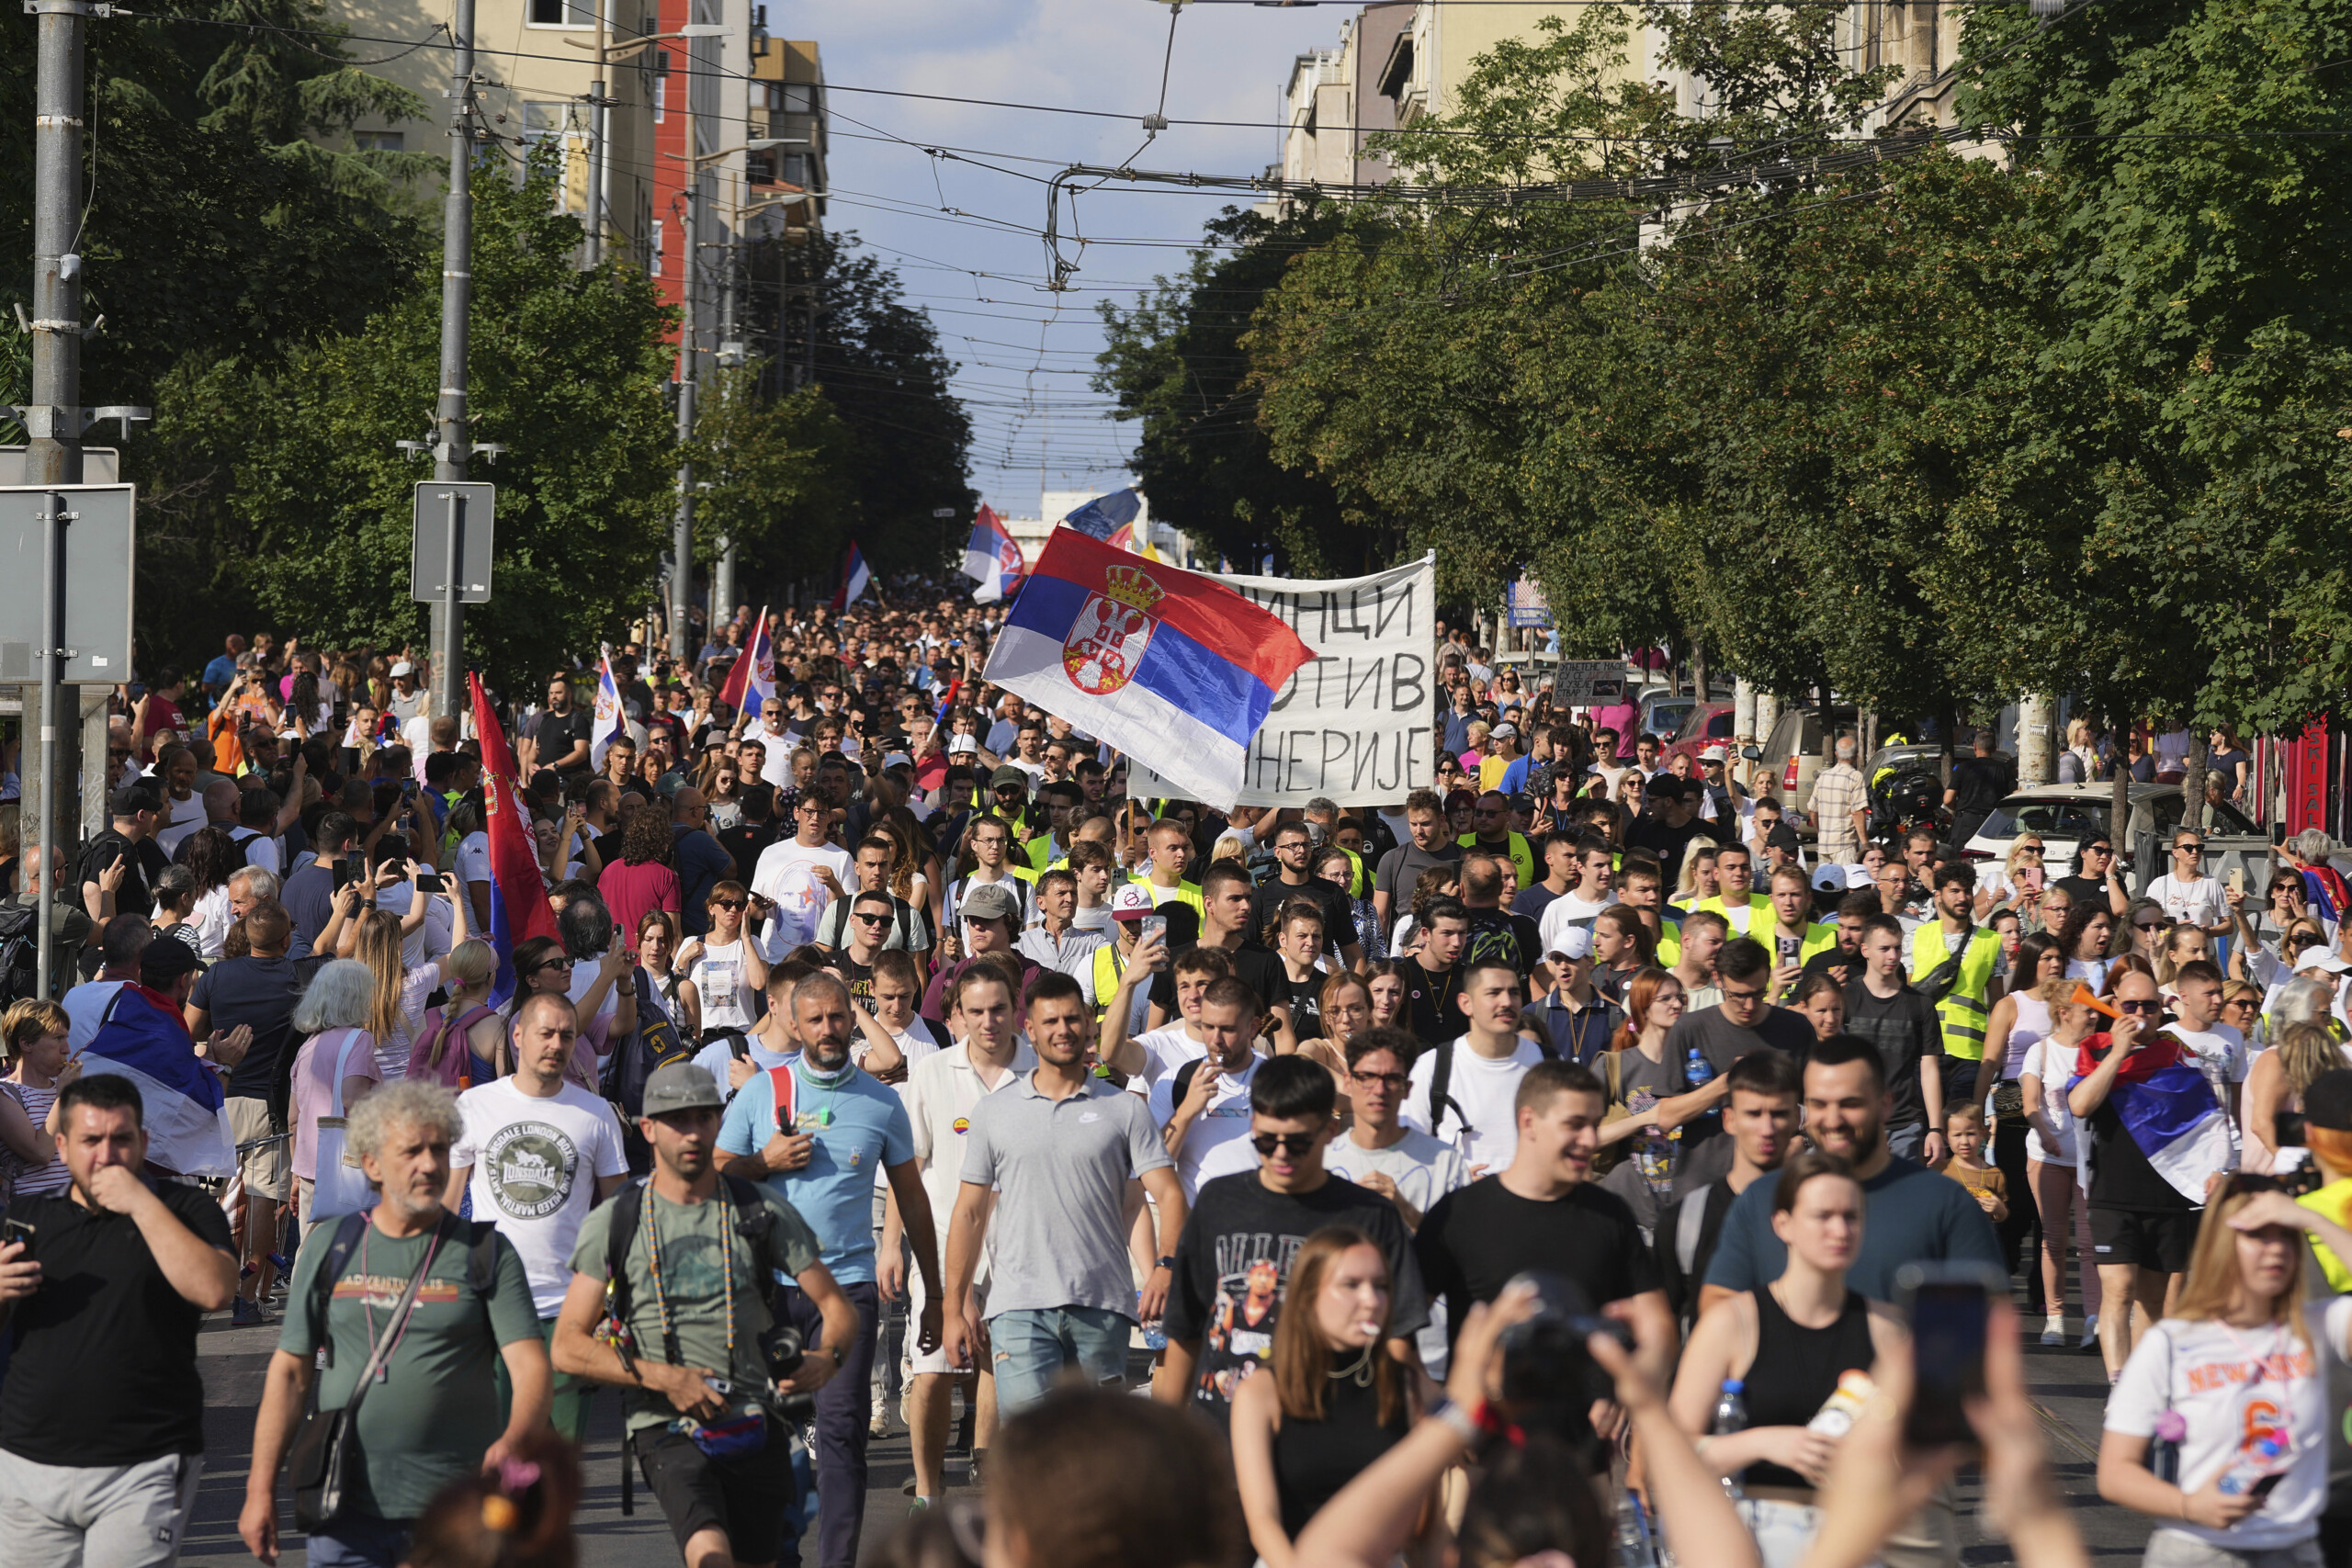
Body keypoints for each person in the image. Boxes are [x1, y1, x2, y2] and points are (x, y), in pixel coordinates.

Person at [551, 1063, 853, 1568]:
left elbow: (836, 1307)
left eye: (703, 1118)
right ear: (647, 1129)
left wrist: (829, 1356)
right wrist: (665, 1378)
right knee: (708, 1546)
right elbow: (567, 1345)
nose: (691, 1133)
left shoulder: (757, 1210)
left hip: (757, 1416)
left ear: (719, 1122)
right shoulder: (618, 1219)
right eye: (676, 1120)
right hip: (665, 1423)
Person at [243, 1080, 551, 1568]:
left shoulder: (485, 1252)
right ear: (371, 1164)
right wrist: (260, 1488)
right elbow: (289, 1374)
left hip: (454, 1514)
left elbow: (531, 1368)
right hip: (342, 1509)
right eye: (411, 1151)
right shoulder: (330, 1247)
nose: (429, 1164)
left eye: (438, 1149)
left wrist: (513, 1443)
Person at [717, 972, 940, 1568]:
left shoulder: (879, 1099)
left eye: (837, 1016)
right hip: (769, 1292)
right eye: (814, 1019)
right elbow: (711, 1174)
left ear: (851, 1015)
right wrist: (762, 1161)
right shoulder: (763, 1091)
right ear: (795, 1022)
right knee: (768, 1438)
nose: (827, 1029)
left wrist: (937, 1293)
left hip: (849, 1291)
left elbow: (913, 1199)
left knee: (841, 1437)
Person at [0, 1074, 237, 1568]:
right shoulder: (27, 1216)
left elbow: (216, 1289)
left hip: (144, 1463)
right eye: (90, 1141)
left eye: (121, 1139)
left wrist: (140, 1202)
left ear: (143, 1143)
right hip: (28, 1465)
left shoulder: (185, 1207)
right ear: (62, 1147)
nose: (106, 1155)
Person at [941, 973, 1186, 1415]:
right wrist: (953, 1307)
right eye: (1049, 1020)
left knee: (1094, 1457)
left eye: (1073, 1018)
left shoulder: (1125, 1109)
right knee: (1028, 1455)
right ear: (1030, 1030)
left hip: (1101, 1305)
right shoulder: (994, 1112)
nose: (1063, 1029)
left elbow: (1163, 1196)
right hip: (1019, 1308)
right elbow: (970, 1215)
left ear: (1090, 1024)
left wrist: (1165, 1268)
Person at [1668, 1149, 1907, 1568]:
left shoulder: (1888, 1329)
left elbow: (1909, 1457)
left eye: (1851, 1216)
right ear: (1784, 1224)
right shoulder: (1733, 1323)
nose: (1840, 1229)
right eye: (1823, 1215)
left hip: (1849, 1537)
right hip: (1745, 1535)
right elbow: (1670, 1452)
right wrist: (1764, 1443)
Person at [2098, 1175, 2352, 1566]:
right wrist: (2189, 1506)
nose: (2275, 1250)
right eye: (2258, 1235)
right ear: (2222, 1244)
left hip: (2296, 1553)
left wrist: (2309, 1218)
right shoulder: (2171, 1342)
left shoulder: (2320, 1326)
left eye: (2286, 1236)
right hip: (2196, 1551)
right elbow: (2115, 1473)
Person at [1155, 1055, 1429, 1418]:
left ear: (1329, 1132)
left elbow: (1398, 1338)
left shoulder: (1369, 1215)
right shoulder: (1218, 1202)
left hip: (1326, 1424)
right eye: (1267, 1141)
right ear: (1253, 1125)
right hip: (1222, 1425)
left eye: (1298, 1142)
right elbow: (1185, 1330)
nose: (1281, 1153)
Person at [1415, 1059, 1677, 1389]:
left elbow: (1659, 1330)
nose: (1590, 1140)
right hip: (1482, 1430)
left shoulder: (1610, 1213)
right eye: (1575, 1124)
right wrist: (1435, 1407)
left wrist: (1630, 1390)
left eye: (1594, 1125)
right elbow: (1399, 1326)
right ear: (1529, 1122)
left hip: (1586, 1434)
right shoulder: (1460, 1213)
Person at [1702, 1033, 2005, 1312]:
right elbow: (1719, 1309)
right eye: (1819, 1104)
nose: (1833, 1120)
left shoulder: (1946, 1204)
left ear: (1885, 1105)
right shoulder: (1762, 1199)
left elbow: (1988, 1331)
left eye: (1850, 1103)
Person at [447, 991, 629, 1443]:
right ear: (518, 1036)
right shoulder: (474, 1106)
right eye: (545, 1033)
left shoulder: (596, 1113)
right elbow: (447, 1206)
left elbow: (619, 1214)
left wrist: (619, 1298)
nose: (556, 1044)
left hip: (571, 1311)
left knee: (558, 1466)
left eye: (566, 1036)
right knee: (492, 1456)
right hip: (491, 1307)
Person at [888, 964, 1030, 1509]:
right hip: (942, 1245)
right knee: (933, 1369)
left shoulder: (1039, 1068)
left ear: (1016, 1007)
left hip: (1020, 1249)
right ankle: (927, 1488)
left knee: (999, 1361)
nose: (989, 1021)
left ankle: (985, 1467)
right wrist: (890, 1247)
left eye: (999, 1009)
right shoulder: (931, 1073)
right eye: (976, 1011)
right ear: (958, 1015)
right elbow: (910, 1166)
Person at [1229, 1227, 1420, 1568]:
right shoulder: (1261, 1392)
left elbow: (1428, 1524)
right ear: (1307, 1296)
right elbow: (1262, 1522)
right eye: (1351, 1285)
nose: (1371, 1300)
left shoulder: (1404, 1384)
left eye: (1381, 1286)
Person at [2072, 968, 2208, 1380]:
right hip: (2113, 1190)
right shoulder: (2094, 1049)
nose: (2141, 1014)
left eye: (2149, 1006)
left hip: (2168, 1194)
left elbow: (2203, 1118)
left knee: (2152, 1300)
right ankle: (2117, 1384)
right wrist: (2117, 1052)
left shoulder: (2177, 1053)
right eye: (2131, 1006)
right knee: (2118, 1290)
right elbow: (2080, 1105)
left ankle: (2138, 1385)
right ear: (2115, 1006)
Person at [189, 901, 316, 1325]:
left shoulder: (217, 974)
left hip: (220, 1097)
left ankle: (197, 1286)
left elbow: (189, 1031)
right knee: (264, 1199)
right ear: (286, 941)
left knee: (208, 1193)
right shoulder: (297, 978)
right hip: (270, 1106)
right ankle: (246, 1296)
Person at [1655, 1048, 1800, 1330]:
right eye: (1754, 1114)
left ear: (1797, 1119)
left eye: (1779, 1114)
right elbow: (1663, 1331)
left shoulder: (1825, 1217)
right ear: (1729, 1120)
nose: (1767, 1128)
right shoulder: (1684, 1222)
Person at [2019, 979, 2105, 1350]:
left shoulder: (2101, 1051)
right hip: (2048, 1157)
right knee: (2054, 1240)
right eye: (2088, 1010)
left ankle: (2093, 1319)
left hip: (2089, 1158)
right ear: (2065, 1013)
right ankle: (2054, 1319)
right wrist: (2045, 1132)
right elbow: (2029, 1104)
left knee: (2090, 1243)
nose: (2094, 1016)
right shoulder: (2039, 1051)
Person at [1323, 1026, 1468, 1233]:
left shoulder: (1447, 1163)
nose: (1379, 1090)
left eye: (1391, 1079)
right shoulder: (1322, 1161)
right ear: (1348, 1082)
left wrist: (1406, 1211)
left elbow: (1462, 1249)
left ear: (1407, 1089)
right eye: (1368, 1077)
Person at [1844, 914, 1946, 1162]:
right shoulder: (1845, 998)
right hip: (1853, 1123)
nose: (1893, 956)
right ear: (1865, 950)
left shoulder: (1920, 1004)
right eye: (1884, 948)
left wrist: (1935, 1128)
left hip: (1905, 1125)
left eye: (1897, 948)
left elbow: (1929, 1069)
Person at [1908, 863, 2007, 1117]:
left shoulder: (1992, 942)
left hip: (1971, 1053)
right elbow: (1904, 996)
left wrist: (1994, 1055)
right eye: (1954, 891)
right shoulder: (1916, 936)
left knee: (1961, 1126)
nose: (1962, 898)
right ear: (1938, 895)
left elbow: (1997, 1004)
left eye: (1966, 891)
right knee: (1928, 1128)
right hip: (1926, 1049)